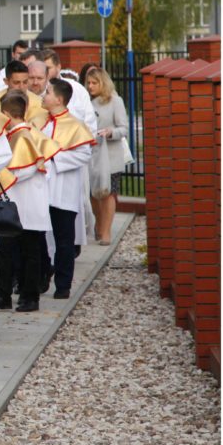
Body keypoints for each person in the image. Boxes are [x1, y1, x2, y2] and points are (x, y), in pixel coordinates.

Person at [0, 91, 58, 313]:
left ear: (5, 114)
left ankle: (28, 296)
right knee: (13, 251)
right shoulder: (29, 133)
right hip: (23, 204)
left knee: (26, 253)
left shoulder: (22, 136)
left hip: (24, 204)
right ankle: (6, 294)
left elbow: (22, 169)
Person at [41, 79, 95, 297]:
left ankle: (63, 285)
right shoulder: (42, 122)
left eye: (47, 92)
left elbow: (83, 154)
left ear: (59, 99)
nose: (43, 95)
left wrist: (55, 158)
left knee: (64, 240)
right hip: (42, 190)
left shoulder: (75, 125)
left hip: (64, 191)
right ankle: (42, 277)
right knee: (41, 239)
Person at [86, 67, 129, 245]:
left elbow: (124, 128)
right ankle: (99, 222)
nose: (90, 86)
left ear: (103, 83)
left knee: (109, 193)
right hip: (92, 156)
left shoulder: (115, 101)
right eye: (88, 82)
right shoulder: (86, 102)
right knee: (93, 194)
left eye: (94, 83)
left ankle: (106, 231)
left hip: (111, 156)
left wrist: (111, 132)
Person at [0, 60, 48, 127]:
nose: (21, 87)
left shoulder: (40, 104)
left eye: (25, 82)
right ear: (6, 81)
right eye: (16, 82)